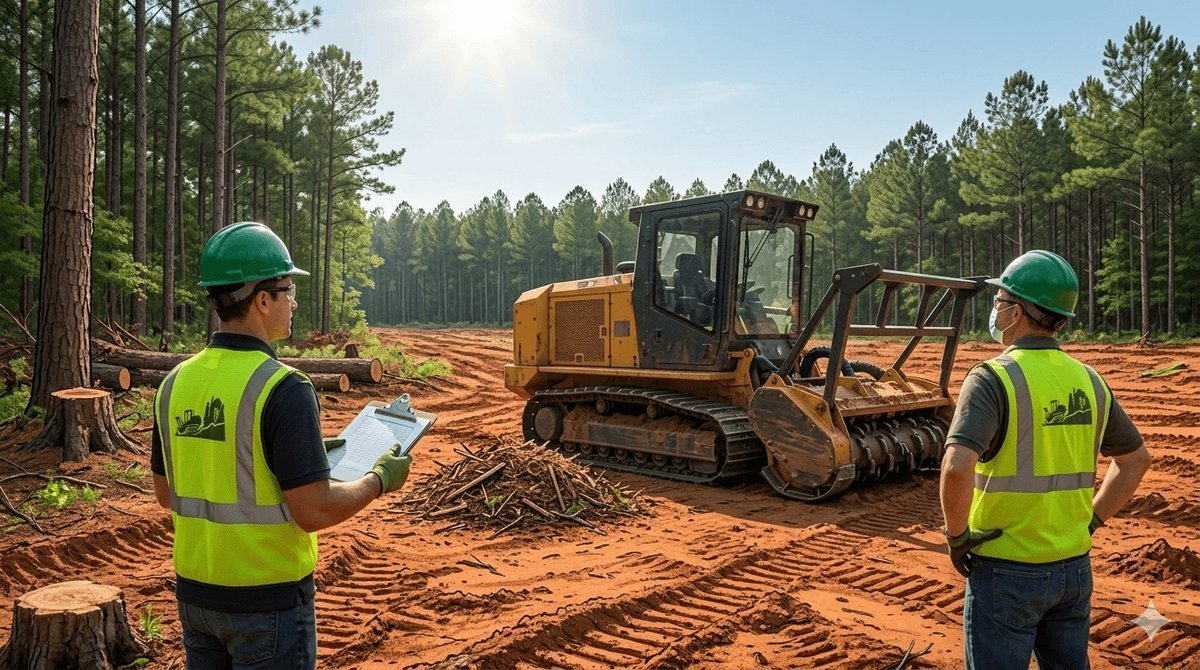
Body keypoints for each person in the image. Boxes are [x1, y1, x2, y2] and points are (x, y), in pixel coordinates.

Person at [150, 222, 412, 668]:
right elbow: (314, 510)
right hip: (266, 606)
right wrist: (378, 479)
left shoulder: (174, 383)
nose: (294, 301)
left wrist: (289, 458)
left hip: (196, 600)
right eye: (288, 288)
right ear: (261, 299)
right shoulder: (283, 387)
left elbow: (166, 490)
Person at [939, 249, 1151, 670]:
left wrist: (957, 536)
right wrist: (1092, 520)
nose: (995, 310)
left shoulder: (992, 378)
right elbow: (1136, 461)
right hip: (1073, 571)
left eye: (1000, 302)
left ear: (1016, 312)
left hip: (1006, 570)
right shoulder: (1089, 380)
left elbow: (957, 467)